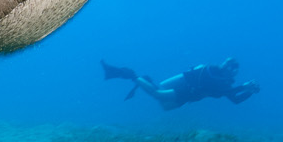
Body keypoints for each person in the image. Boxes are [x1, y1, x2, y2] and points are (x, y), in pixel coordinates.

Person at [102, 57, 259, 110]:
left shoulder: (225, 83)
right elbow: (215, 86)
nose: (228, 70)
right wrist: (244, 86)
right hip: (188, 89)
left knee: (165, 107)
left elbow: (235, 99)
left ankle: (145, 80)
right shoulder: (213, 72)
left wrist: (249, 92)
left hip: (190, 95)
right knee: (159, 96)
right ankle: (131, 75)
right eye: (228, 66)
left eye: (232, 69)